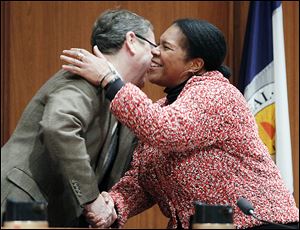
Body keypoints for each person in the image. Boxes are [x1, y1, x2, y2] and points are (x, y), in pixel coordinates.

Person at [60, 19, 299, 229]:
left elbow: (165, 131)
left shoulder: (216, 93)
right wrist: (113, 204)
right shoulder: (164, 106)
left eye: (165, 47)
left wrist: (110, 79)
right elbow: (144, 179)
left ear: (194, 64)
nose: (154, 51)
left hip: (256, 224)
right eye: (157, 44)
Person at [1, 9, 156, 227]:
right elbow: (59, 126)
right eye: (153, 47)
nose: (155, 59)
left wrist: (107, 204)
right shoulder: (84, 75)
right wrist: (92, 199)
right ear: (132, 41)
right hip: (18, 205)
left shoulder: (120, 94)